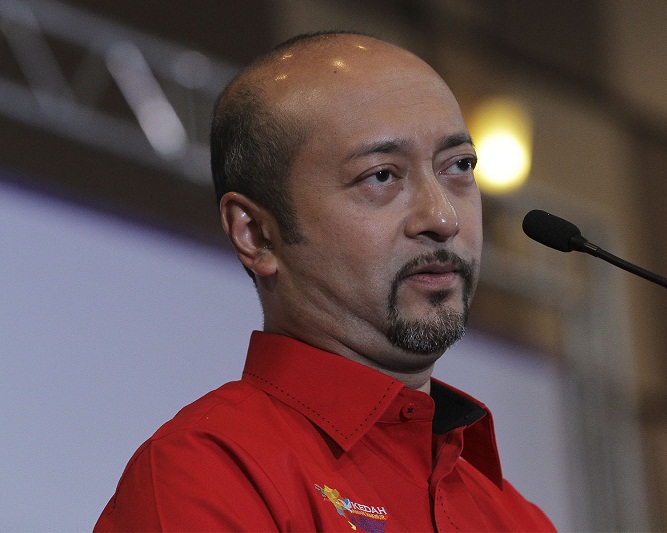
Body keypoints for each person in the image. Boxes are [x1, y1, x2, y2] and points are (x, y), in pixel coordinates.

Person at [95, 31, 555, 532]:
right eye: (381, 176)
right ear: (257, 234)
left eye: (459, 166)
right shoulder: (208, 469)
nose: (443, 218)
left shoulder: (517, 518)